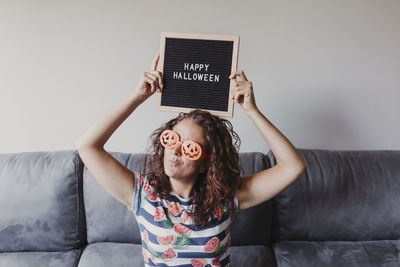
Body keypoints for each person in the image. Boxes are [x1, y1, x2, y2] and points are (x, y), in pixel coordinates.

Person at [74, 50, 307, 267]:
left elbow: (292, 167)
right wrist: (137, 97)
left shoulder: (226, 198)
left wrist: (252, 110)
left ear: (206, 162)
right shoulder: (142, 194)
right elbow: (87, 146)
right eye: (171, 139)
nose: (175, 151)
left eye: (189, 148)